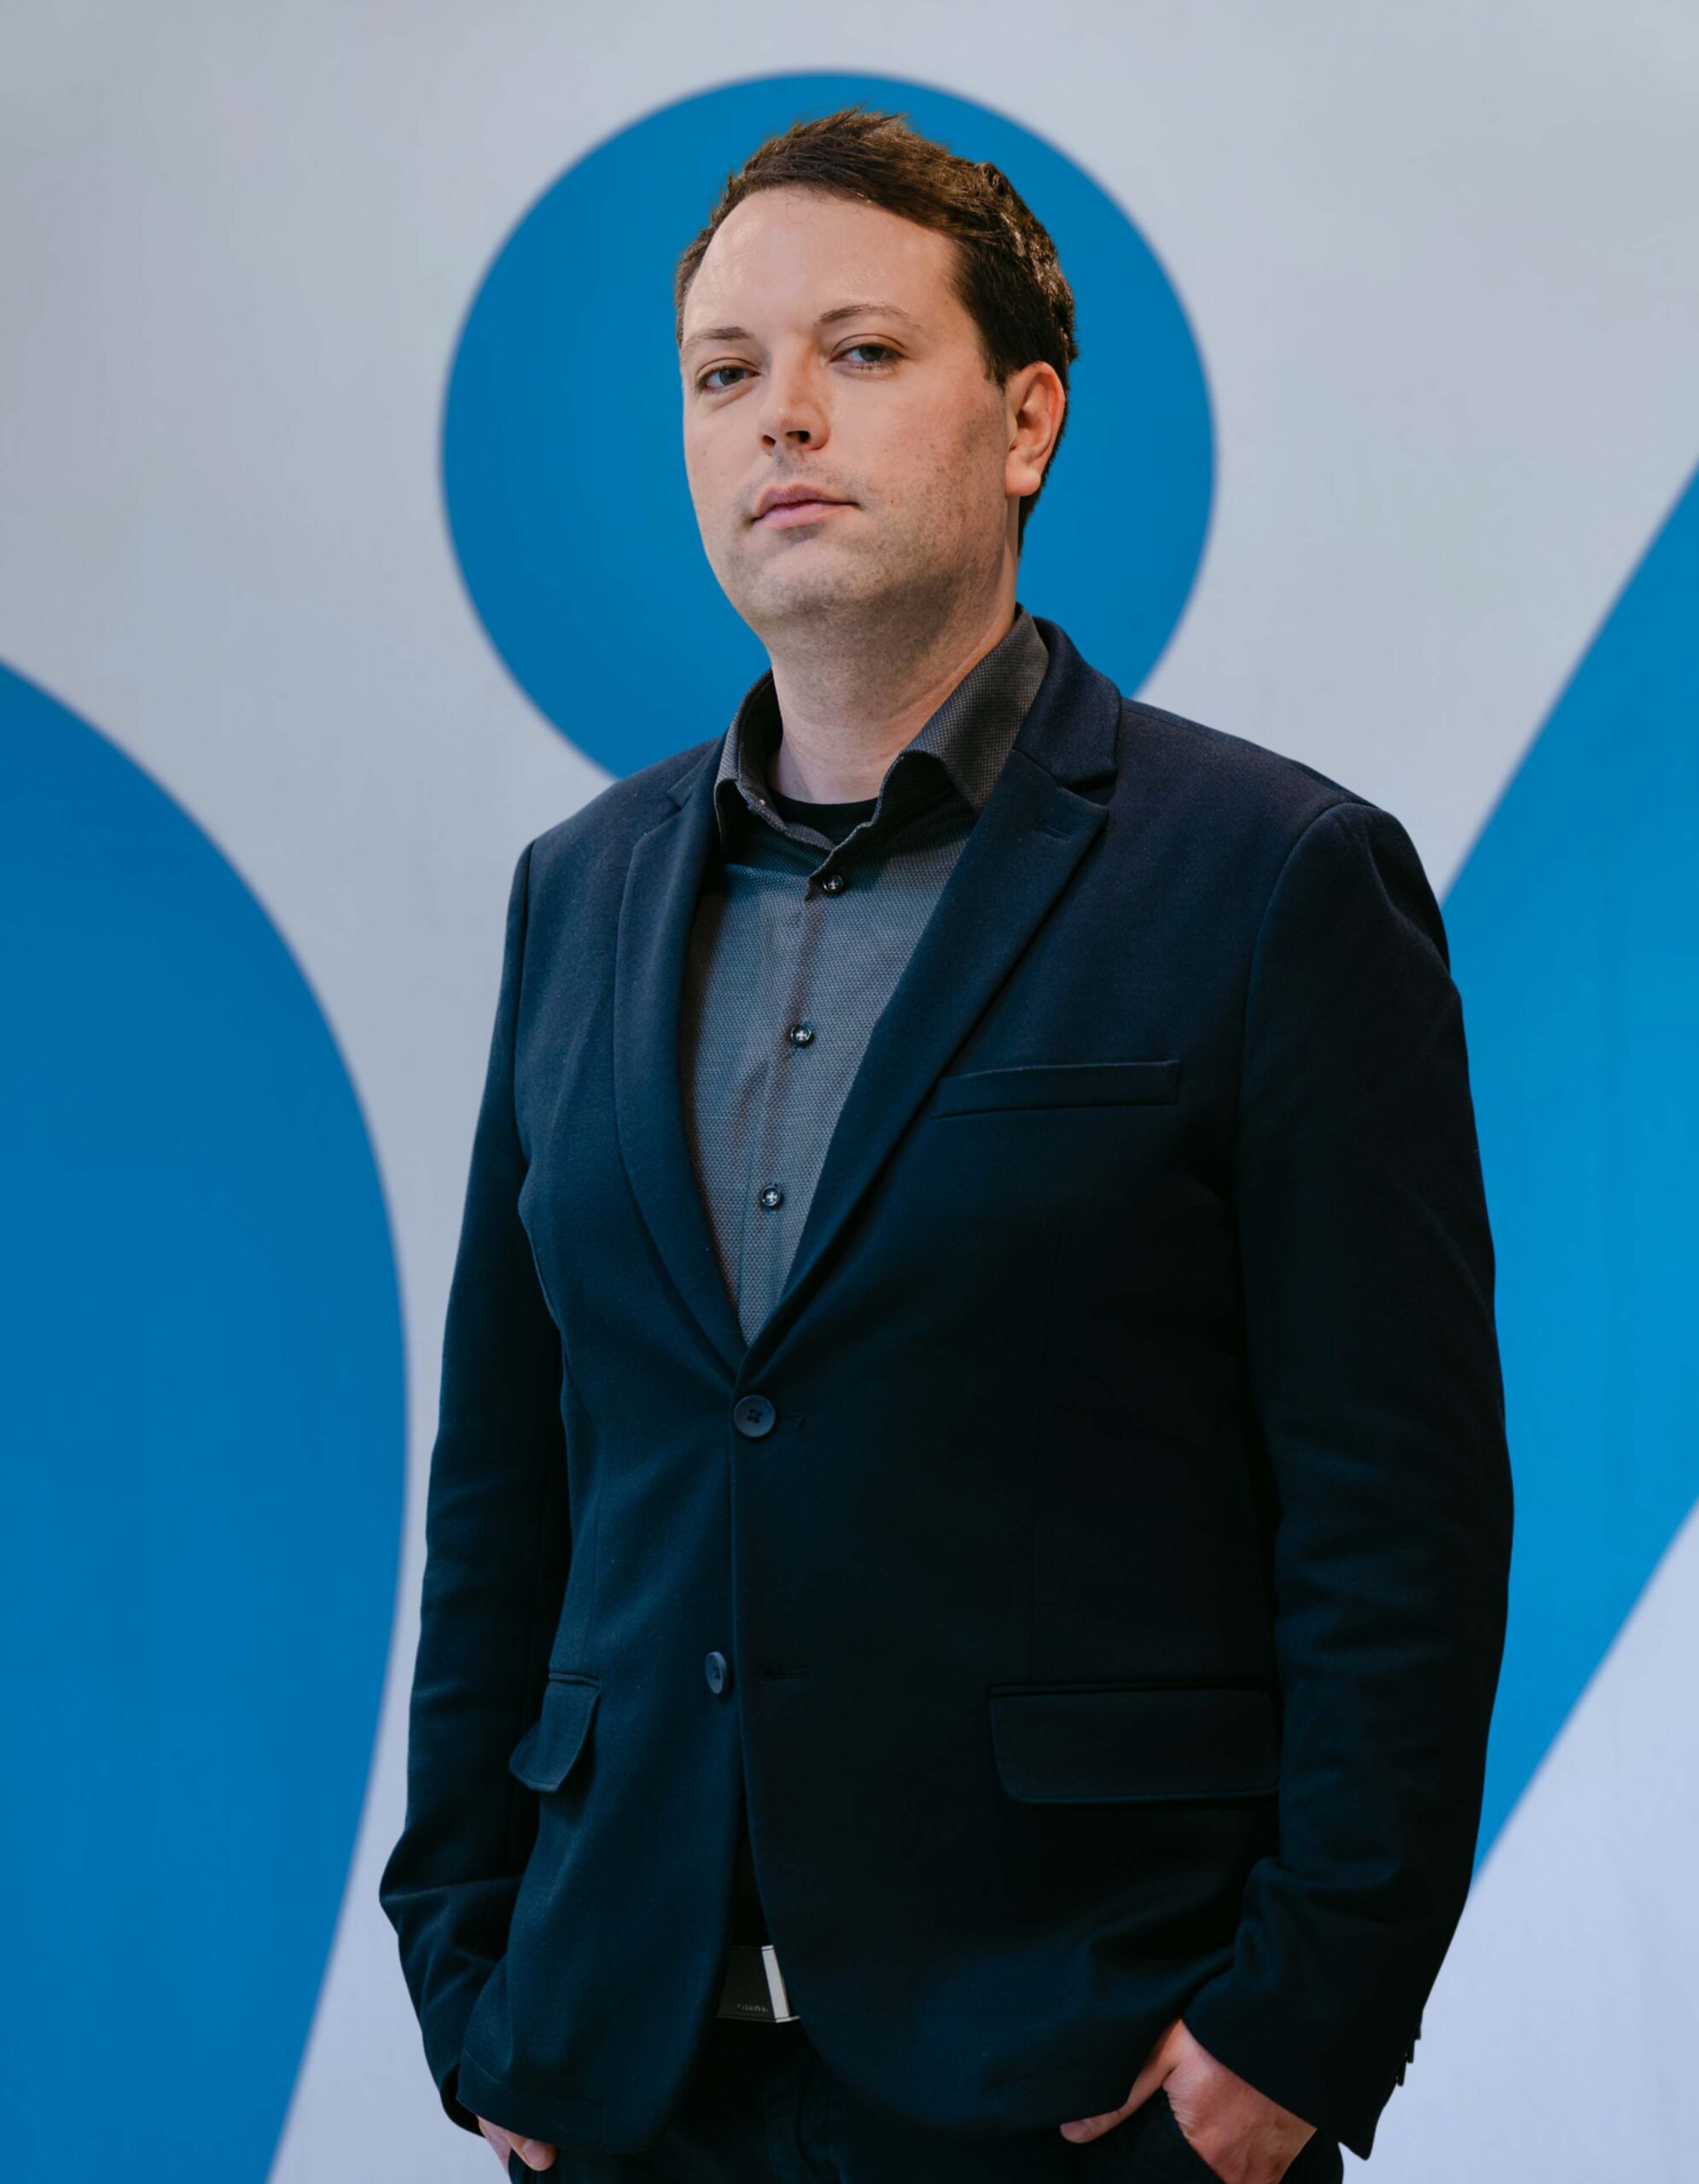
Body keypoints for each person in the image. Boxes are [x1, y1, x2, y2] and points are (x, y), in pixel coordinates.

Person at [380, 104, 1513, 2184]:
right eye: (726, 371)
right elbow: (508, 1483)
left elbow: (1399, 1520)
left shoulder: (1275, 879)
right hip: (630, 2076)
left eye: (863, 352)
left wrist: (1295, 2023)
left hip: (1085, 2083)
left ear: (1027, 422)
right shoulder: (579, 890)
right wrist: (469, 1971)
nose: (782, 416)